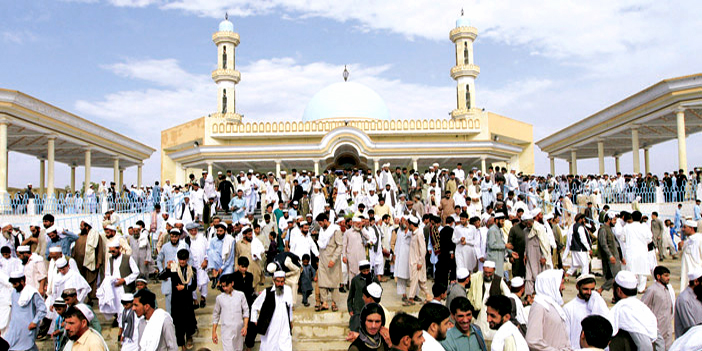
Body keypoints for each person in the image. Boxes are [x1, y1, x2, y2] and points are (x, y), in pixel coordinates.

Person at [608, 271, 660, 351]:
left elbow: (645, 346)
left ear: (618, 290)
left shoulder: (624, 310)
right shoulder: (643, 308)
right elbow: (660, 341)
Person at [159, 249, 197, 350]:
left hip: (187, 300)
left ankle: (189, 337)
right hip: (176, 301)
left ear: (187, 259)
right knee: (178, 323)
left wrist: (184, 288)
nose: (182, 262)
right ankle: (182, 344)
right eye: (180, 259)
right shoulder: (174, 269)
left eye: (184, 260)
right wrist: (167, 268)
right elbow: (161, 276)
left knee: (189, 321)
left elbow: (194, 286)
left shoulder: (192, 270)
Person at [525, 269, 570, 351]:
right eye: (561, 284)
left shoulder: (553, 305)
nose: (563, 288)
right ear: (551, 284)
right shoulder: (539, 306)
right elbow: (532, 340)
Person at [563, 274, 609, 349]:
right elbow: (566, 336)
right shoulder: (569, 308)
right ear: (577, 287)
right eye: (586, 289)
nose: (589, 292)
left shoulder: (598, 304)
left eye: (592, 289)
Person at [251, 271, 293, 351]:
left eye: (282, 281)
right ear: (274, 280)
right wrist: (255, 320)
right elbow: (254, 306)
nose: (280, 284)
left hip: (284, 326)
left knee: (285, 346)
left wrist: (290, 321)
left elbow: (290, 307)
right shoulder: (267, 292)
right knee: (269, 346)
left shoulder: (288, 290)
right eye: (278, 281)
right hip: (270, 326)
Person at [467, 261, 509, 341]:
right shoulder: (477, 278)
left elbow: (508, 294)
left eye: (490, 273)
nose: (487, 274)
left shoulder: (498, 280)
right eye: (486, 272)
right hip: (480, 310)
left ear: (494, 270)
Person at [6, 270, 47, 351]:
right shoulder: (14, 292)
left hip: (27, 328)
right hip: (14, 328)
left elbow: (42, 309)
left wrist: (35, 321)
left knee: (28, 347)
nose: (14, 286)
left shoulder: (32, 293)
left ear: (22, 281)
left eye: (15, 284)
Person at [212, 274, 249, 351]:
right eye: (223, 286)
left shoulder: (240, 295)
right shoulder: (219, 298)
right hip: (226, 331)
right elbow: (216, 315)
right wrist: (214, 332)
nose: (224, 288)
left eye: (226, 286)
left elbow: (246, 311)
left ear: (232, 283)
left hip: (239, 330)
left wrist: (245, 326)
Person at [640, 265, 674, 349]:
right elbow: (642, 306)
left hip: (668, 327)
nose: (668, 278)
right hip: (657, 328)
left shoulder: (667, 289)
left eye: (668, 275)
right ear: (658, 276)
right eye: (665, 276)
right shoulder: (652, 290)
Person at [316, 213, 343, 312]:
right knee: (322, 282)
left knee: (334, 283)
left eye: (320, 223)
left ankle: (334, 303)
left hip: (332, 260)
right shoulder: (322, 231)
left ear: (325, 221)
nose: (320, 225)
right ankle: (324, 303)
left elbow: (340, 246)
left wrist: (334, 259)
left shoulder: (336, 230)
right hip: (323, 259)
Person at [622, 211, 652, 292]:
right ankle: (641, 288)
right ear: (641, 218)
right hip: (642, 251)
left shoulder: (627, 227)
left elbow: (622, 238)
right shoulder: (644, 227)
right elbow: (649, 239)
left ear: (632, 217)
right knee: (642, 271)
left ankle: (631, 287)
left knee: (631, 271)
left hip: (631, 251)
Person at [348, 260, 380, 332]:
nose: (366, 273)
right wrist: (350, 309)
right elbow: (350, 296)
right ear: (360, 270)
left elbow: (379, 291)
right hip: (358, 309)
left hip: (371, 309)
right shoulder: (355, 280)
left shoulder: (373, 279)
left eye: (367, 270)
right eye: (364, 271)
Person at [597, 212, 622, 296]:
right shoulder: (603, 229)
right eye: (614, 220)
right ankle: (600, 290)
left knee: (615, 278)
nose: (615, 222)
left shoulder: (609, 229)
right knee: (614, 277)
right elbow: (603, 244)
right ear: (609, 219)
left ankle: (615, 296)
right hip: (610, 258)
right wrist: (610, 256)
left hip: (615, 256)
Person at [407, 215, 431, 303]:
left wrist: (420, 261)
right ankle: (428, 296)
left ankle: (411, 298)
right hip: (413, 261)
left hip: (417, 262)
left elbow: (423, 249)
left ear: (412, 225)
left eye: (409, 224)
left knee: (416, 280)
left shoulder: (419, 234)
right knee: (419, 281)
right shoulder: (413, 234)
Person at [674, 268, 702, 337]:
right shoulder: (684, 299)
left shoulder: (699, 295)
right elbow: (691, 328)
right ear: (696, 282)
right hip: (689, 343)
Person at [679, 220, 702, 293]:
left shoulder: (699, 239)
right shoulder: (687, 241)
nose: (683, 229)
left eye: (685, 227)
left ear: (691, 228)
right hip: (686, 274)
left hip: (696, 275)